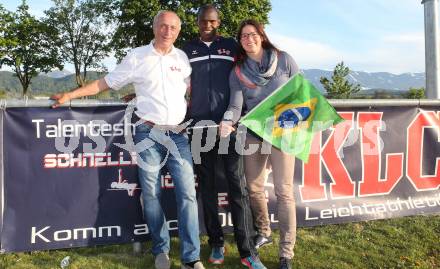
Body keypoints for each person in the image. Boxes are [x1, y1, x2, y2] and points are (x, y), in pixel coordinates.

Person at [51, 10, 205, 269]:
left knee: (188, 194)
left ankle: (192, 258)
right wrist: (69, 95)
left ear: (179, 31)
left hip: (179, 134)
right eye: (163, 26)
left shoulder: (182, 58)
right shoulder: (137, 56)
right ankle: (161, 250)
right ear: (154, 27)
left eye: (173, 27)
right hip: (148, 133)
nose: (168, 31)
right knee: (152, 194)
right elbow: (104, 83)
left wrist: (139, 92)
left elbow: (184, 90)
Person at [182, 5, 266, 269]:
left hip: (230, 126)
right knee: (206, 188)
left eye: (213, 21)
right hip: (198, 127)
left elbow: (254, 65)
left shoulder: (231, 46)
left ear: (219, 23)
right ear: (196, 22)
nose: (208, 25)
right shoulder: (185, 50)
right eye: (203, 21)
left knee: (237, 187)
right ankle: (216, 242)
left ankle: (247, 250)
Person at [219, 19, 300, 269]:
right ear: (240, 42)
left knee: (284, 191)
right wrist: (226, 121)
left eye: (252, 34)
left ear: (261, 35)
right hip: (254, 133)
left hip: (283, 133)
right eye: (243, 36)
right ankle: (263, 231)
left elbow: (300, 92)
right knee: (253, 188)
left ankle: (286, 252)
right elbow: (235, 106)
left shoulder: (284, 59)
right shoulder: (238, 71)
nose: (248, 39)